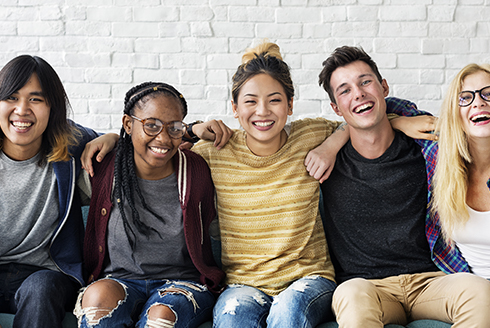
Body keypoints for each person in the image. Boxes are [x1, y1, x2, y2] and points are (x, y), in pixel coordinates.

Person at [309, 45, 490, 328]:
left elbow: (464, 128)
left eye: (365, 81)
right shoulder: (326, 158)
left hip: (432, 281)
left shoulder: (427, 148)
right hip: (369, 288)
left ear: (383, 87)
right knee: (350, 295)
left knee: (479, 291)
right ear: (335, 108)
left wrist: (400, 120)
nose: (358, 93)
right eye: (344, 90)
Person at [73, 82, 225, 328]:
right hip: (119, 280)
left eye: (174, 128)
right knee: (97, 301)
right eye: (151, 125)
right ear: (128, 124)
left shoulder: (196, 170)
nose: (163, 139)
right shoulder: (104, 169)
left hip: (183, 284)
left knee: (161, 317)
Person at [0, 55, 117, 328]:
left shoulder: (70, 144)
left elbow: (136, 140)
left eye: (35, 99)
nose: (22, 110)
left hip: (47, 274)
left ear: (52, 107)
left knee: (41, 288)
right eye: (11, 97)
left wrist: (113, 137)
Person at [431, 63, 490, 279]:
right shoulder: (440, 162)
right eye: (465, 98)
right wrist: (398, 121)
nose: (479, 103)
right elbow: (386, 108)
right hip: (470, 291)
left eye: (488, 94)